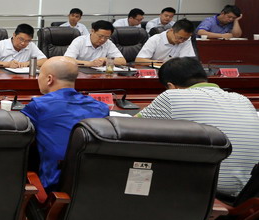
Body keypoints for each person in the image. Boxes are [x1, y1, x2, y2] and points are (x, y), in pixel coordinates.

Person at [137, 57, 259, 198]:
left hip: (211, 192)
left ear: (171, 86)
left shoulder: (172, 96)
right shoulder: (242, 99)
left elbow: (129, 129)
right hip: (251, 192)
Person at [20, 56, 109, 191]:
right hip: (95, 185)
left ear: (49, 79)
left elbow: (19, 131)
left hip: (55, 186)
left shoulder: (39, 106)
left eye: (39, 75)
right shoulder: (101, 107)